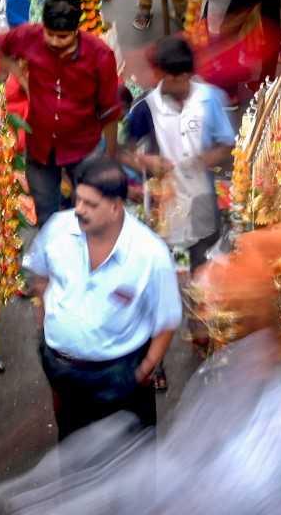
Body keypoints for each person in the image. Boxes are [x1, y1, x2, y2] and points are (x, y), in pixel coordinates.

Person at [23, 157, 182, 440]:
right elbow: (40, 276)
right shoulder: (58, 230)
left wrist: (145, 369)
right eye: (78, 201)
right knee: (73, 449)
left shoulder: (150, 254)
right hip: (63, 371)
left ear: (115, 207)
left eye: (90, 205)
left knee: (132, 461)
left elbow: (167, 320)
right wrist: (47, 326)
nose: (79, 211)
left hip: (120, 377)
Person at [0, 0, 123, 226]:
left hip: (84, 147)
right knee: (47, 216)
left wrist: (110, 158)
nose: (53, 41)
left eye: (62, 37)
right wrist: (18, 75)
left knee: (89, 211)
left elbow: (110, 112)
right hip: (41, 146)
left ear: (76, 31)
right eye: (49, 34)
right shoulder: (29, 36)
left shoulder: (100, 55)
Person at [123, 36, 235, 270]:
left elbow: (227, 143)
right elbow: (123, 152)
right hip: (163, 205)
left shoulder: (210, 99)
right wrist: (145, 161)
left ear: (185, 75)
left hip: (202, 201)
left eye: (162, 76)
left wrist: (205, 159)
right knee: (165, 260)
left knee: (201, 257)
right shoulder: (146, 108)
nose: (156, 80)